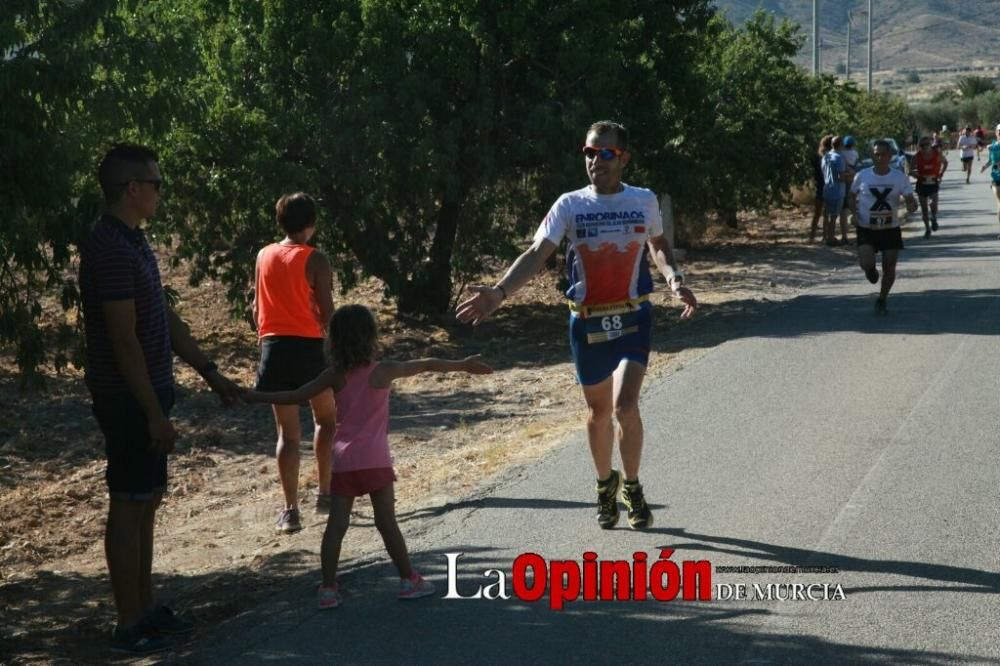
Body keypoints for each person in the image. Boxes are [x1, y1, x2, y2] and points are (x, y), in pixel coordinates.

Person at [455, 120, 697, 531]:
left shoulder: (643, 200)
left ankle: (633, 488)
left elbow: (658, 246)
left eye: (605, 153)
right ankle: (606, 484)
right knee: (598, 412)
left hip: (634, 316)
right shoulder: (570, 204)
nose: (595, 161)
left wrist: (675, 279)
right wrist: (499, 293)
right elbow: (537, 253)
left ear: (624, 158)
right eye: (589, 152)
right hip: (587, 324)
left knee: (626, 407)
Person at [80, 144, 242, 654]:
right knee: (128, 506)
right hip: (128, 399)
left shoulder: (135, 241)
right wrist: (152, 412)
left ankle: (146, 609)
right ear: (132, 188)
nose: (160, 192)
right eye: (156, 183)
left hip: (150, 395)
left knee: (147, 501)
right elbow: (123, 338)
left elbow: (163, 318)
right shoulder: (107, 246)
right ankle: (128, 623)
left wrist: (209, 371)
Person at [244, 305, 493, 608]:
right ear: (371, 336)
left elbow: (295, 395)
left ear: (333, 340)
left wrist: (253, 395)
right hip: (375, 460)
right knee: (387, 522)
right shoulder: (383, 370)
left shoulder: (333, 376)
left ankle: (328, 588)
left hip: (343, 461)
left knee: (336, 526)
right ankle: (408, 580)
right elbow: (426, 364)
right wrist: (464, 365)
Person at [252, 193, 336, 534]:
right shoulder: (316, 259)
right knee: (327, 420)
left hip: (273, 347)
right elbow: (328, 312)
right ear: (312, 224)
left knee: (287, 434)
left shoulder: (263, 255)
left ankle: (290, 510)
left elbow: (256, 308)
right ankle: (326, 494)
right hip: (310, 348)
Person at [848, 139, 918, 315]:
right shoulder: (862, 176)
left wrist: (911, 205)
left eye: (883, 154)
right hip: (866, 227)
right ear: (872, 155)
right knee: (866, 262)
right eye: (876, 154)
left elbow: (909, 198)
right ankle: (870, 270)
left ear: (890, 155)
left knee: (889, 266)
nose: (880, 158)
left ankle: (882, 299)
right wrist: (854, 214)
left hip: (890, 228)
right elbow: (851, 196)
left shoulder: (898, 177)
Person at [910, 137, 948, 238]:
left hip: (933, 182)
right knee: (924, 209)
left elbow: (945, 163)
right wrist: (915, 174)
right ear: (919, 147)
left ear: (930, 145)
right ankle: (927, 229)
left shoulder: (937, 154)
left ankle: (934, 217)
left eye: (927, 144)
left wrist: (941, 174)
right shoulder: (916, 157)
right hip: (921, 183)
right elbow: (910, 170)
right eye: (922, 145)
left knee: (933, 203)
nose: (925, 147)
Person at [821, 136, 852, 246]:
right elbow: (840, 176)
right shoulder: (839, 157)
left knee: (828, 215)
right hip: (837, 189)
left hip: (827, 188)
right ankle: (831, 238)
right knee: (834, 216)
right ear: (840, 145)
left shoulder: (826, 157)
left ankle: (827, 236)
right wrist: (850, 175)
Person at [838, 136, 861, 243]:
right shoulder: (855, 153)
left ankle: (844, 236)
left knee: (843, 211)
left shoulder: (841, 154)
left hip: (842, 183)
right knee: (855, 209)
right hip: (853, 181)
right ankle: (859, 233)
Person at [979, 124, 1000, 236]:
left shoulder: (993, 146)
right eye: (999, 131)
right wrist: (984, 166)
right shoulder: (993, 145)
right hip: (996, 178)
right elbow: (990, 160)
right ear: (996, 133)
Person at [808, 138, 826, 243]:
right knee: (827, 213)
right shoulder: (829, 158)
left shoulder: (817, 158)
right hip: (828, 186)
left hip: (819, 186)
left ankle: (812, 236)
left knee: (817, 213)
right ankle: (826, 236)